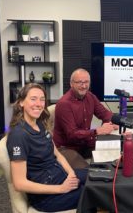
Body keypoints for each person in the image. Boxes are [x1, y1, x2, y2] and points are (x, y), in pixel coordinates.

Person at [6, 83, 87, 212]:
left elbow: (58, 155)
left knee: (98, 176)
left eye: (42, 99)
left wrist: (71, 174)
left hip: (60, 175)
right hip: (48, 197)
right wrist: (61, 188)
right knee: (97, 192)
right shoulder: (18, 136)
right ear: (21, 102)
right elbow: (19, 183)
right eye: (33, 99)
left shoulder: (39, 124)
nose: (39, 104)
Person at [54, 68, 117, 163]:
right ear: (71, 84)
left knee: (114, 154)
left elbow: (104, 113)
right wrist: (97, 131)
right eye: (79, 82)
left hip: (85, 143)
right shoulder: (64, 104)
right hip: (67, 149)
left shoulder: (90, 96)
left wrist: (115, 121)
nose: (83, 86)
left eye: (86, 82)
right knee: (88, 172)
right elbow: (72, 134)